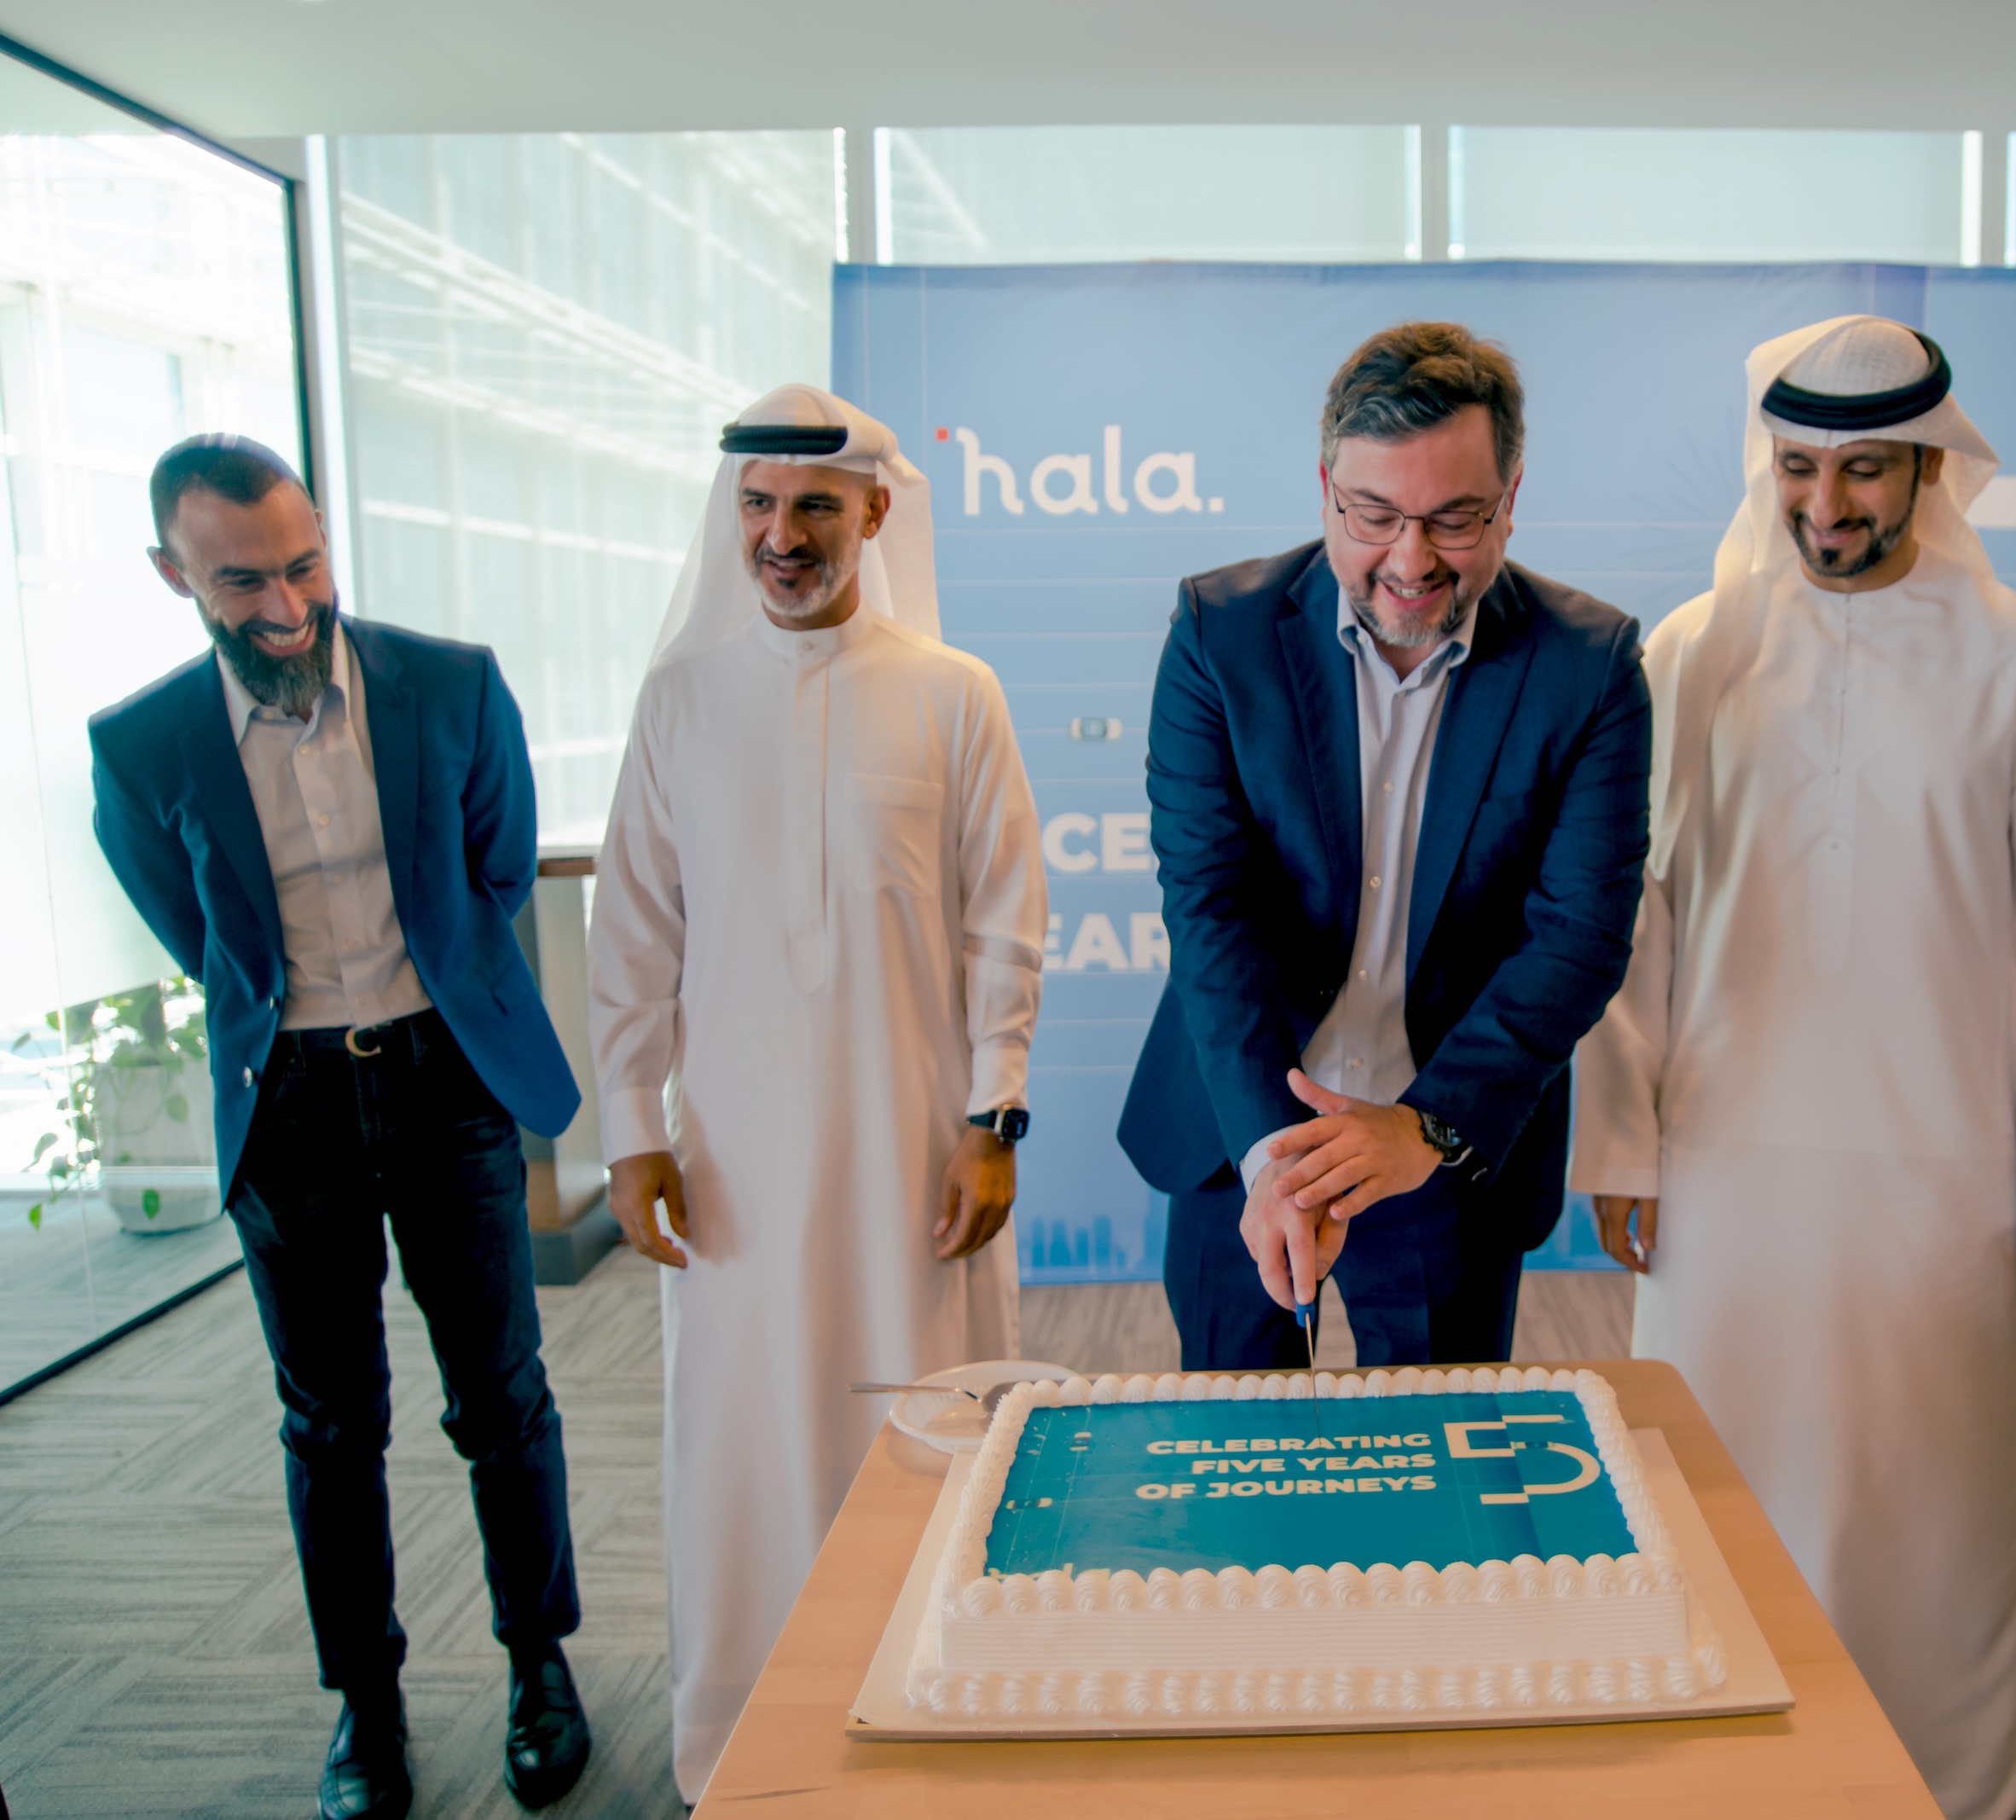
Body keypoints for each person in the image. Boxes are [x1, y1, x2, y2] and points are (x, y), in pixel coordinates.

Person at [1571, 316, 2016, 1820]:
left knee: (1932, 1496)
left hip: (1943, 1165)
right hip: (1725, 1162)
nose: (1828, 505)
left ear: (1933, 467)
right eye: (1801, 468)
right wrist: (1620, 1136)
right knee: (1720, 1485)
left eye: (1868, 469)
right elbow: (1634, 919)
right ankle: (1727, 1771)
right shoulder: (1690, 652)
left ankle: (1949, 1779)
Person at [90, 436, 590, 1820]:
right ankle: (366, 1703)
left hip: (445, 1077)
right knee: (329, 1424)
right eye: (242, 581)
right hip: (290, 1102)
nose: (287, 605)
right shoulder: (140, 743)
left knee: (501, 1394)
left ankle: (540, 1663)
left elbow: (496, 870)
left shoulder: (451, 681)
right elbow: (196, 932)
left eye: (304, 565)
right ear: (174, 574)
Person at [587, 384, 1046, 1801]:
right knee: (747, 1436)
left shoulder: (953, 692)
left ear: (875, 513)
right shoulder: (679, 700)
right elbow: (633, 936)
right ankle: (747, 1737)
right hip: (735, 1165)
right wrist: (632, 1131)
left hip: (913, 1153)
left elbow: (1007, 922)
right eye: (757, 507)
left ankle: (938, 1706)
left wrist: (993, 1116)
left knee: (918, 1416)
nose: (780, 537)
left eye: (812, 508)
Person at [1118, 321, 1651, 1371]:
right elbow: (1209, 907)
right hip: (1241, 1132)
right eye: (1373, 516)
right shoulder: (1219, 635)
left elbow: (1578, 934)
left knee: (1442, 1456)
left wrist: (1429, 1127)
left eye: (1454, 519)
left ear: (1509, 499)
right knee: (1230, 1448)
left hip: (1446, 1148)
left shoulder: (1588, 666)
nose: (1410, 562)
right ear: (1324, 490)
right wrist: (1271, 1156)